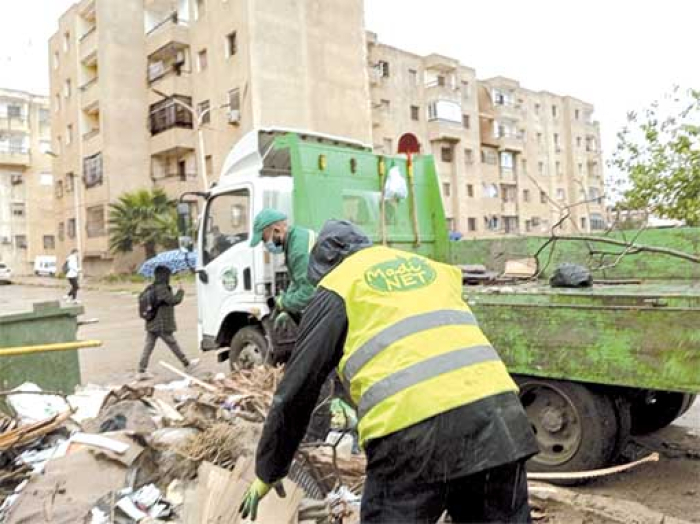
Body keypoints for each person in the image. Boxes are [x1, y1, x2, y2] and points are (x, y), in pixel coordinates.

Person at [239, 220, 539, 523]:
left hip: (412, 434)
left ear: (322, 268)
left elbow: (298, 389)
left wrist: (269, 469)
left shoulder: (337, 285)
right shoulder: (429, 269)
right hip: (500, 420)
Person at [250, 208, 315, 328]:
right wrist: (286, 306)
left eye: (264, 239)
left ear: (276, 230)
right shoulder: (295, 239)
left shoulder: (298, 250)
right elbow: (298, 281)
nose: (266, 244)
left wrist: (284, 303)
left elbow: (308, 292)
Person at [137, 266, 199, 380]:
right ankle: (187, 364)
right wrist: (181, 291)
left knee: (148, 346)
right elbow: (173, 300)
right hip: (161, 323)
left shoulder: (151, 287)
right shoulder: (162, 288)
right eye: (168, 274)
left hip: (151, 322)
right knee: (172, 344)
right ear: (164, 275)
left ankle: (141, 371)